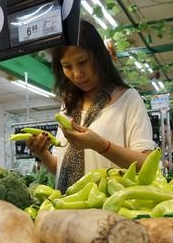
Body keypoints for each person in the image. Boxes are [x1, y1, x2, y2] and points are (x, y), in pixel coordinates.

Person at [26, 20, 155, 192]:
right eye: (67, 66)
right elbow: (62, 168)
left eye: (83, 62)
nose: (77, 74)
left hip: (112, 211)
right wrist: (42, 153)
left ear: (99, 56)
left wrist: (100, 145)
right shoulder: (68, 106)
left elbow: (148, 165)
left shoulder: (128, 99)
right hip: (69, 209)